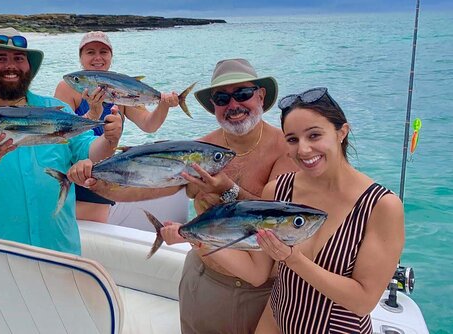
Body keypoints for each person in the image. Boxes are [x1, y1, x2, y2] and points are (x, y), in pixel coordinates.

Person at [166, 87, 405, 334]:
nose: (303, 150)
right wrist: (195, 238)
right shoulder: (278, 190)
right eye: (292, 139)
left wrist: (293, 259)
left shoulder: (381, 206)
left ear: (342, 132)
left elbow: (362, 302)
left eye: (314, 135)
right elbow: (257, 273)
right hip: (276, 323)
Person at [114, 58, 296, 334]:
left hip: (251, 294)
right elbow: (143, 185)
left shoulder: (286, 150)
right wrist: (96, 170)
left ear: (261, 95)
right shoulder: (202, 148)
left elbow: (276, 222)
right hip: (197, 276)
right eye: (222, 98)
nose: (233, 105)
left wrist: (226, 190)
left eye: (243, 94)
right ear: (213, 106)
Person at [0, 28, 123, 255]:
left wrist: (109, 139)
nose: (10, 65)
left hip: (60, 251)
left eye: (19, 58)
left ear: (29, 67)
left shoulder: (58, 110)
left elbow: (91, 152)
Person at [54, 31, 187, 226]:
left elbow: (149, 124)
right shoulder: (68, 88)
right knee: (96, 214)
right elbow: (61, 132)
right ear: (81, 58)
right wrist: (92, 112)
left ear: (111, 57)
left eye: (104, 52)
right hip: (74, 167)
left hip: (104, 168)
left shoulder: (121, 91)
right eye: (90, 52)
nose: (97, 57)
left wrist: (163, 104)